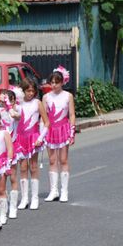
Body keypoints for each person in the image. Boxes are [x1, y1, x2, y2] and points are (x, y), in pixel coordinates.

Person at [42, 67, 76, 202]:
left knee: (63, 160)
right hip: (50, 129)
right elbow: (43, 116)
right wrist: (41, 133)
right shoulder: (46, 97)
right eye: (52, 82)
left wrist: (72, 132)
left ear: (62, 82)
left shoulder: (68, 96)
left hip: (63, 128)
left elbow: (72, 114)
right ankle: (53, 190)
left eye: (57, 82)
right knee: (52, 160)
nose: (54, 85)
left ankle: (64, 191)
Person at [14, 79, 48, 210]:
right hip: (20, 138)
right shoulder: (18, 105)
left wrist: (40, 137)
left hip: (33, 137)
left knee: (33, 167)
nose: (31, 93)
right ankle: (24, 198)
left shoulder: (37, 103)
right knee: (22, 168)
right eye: (28, 91)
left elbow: (47, 123)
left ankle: (34, 198)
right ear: (22, 91)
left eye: (33, 91)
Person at [0, 88, 22, 219]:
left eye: (5, 100)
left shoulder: (16, 110)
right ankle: (3, 208)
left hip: (13, 148)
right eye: (1, 101)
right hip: (1, 150)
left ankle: (13, 207)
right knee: (2, 180)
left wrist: (9, 106)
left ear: (12, 100)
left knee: (13, 177)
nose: (2, 103)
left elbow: (16, 116)